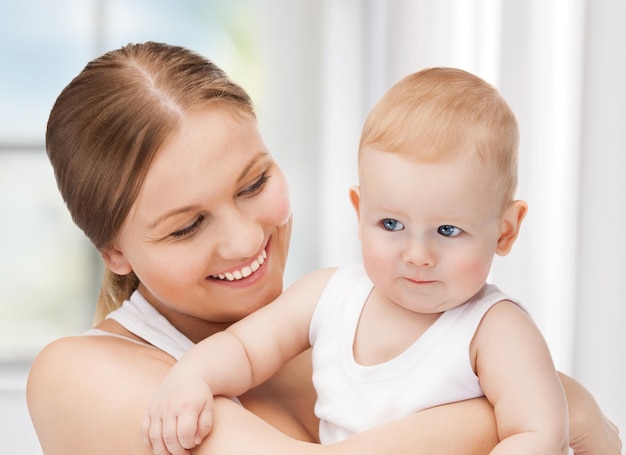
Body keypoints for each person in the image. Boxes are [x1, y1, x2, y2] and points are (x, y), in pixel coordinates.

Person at [25, 42, 621, 455]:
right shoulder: (78, 375)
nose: (243, 239)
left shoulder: (340, 331)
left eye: (254, 183)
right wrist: (561, 402)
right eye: (186, 227)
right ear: (114, 253)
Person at [141, 67, 570, 455]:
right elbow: (244, 350)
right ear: (359, 212)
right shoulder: (329, 296)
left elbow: (538, 435)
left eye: (447, 231)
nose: (417, 256)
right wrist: (192, 377)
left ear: (505, 231)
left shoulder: (494, 330)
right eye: (390, 224)